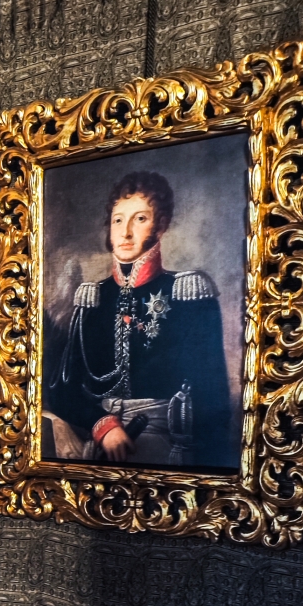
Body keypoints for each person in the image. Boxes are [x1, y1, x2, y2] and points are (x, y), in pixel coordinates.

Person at [47, 170, 236, 469]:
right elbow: (62, 391)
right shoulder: (92, 299)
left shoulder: (188, 293)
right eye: (118, 220)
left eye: (140, 219)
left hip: (168, 450)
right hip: (99, 451)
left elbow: (213, 401)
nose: (125, 232)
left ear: (161, 226)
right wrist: (102, 425)